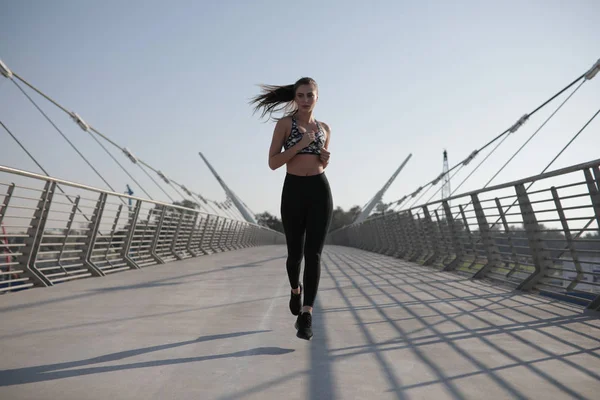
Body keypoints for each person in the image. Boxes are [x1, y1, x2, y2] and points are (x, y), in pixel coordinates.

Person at [250, 77, 333, 340]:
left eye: (310, 95)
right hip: (294, 190)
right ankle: (295, 290)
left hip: (320, 190)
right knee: (295, 254)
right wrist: (298, 145)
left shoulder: (325, 128)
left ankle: (307, 314)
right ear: (294, 98)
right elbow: (273, 162)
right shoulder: (285, 124)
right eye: (301, 95)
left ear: (317, 97)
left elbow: (322, 161)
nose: (306, 100)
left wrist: (324, 158)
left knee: (314, 254)